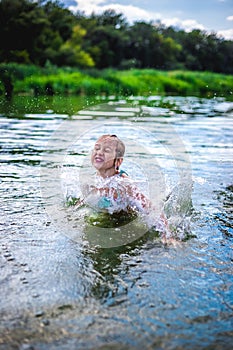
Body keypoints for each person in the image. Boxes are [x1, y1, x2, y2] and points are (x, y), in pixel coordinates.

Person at [77, 134, 171, 241]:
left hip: (124, 220)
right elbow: (85, 201)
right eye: (97, 148)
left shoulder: (123, 184)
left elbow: (150, 208)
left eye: (106, 150)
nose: (99, 152)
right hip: (104, 219)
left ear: (118, 161)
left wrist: (167, 235)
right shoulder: (90, 182)